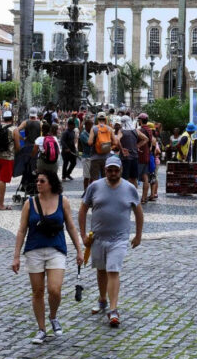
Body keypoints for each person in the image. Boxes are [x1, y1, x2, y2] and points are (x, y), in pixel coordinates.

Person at [12, 170, 83, 344]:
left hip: (56, 249)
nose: (38, 184)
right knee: (37, 291)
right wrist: (16, 256)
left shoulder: (62, 201)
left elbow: (71, 227)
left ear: (51, 183)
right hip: (34, 250)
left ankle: (53, 316)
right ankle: (41, 329)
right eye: (37, 181)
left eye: (42, 181)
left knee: (54, 290)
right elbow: (22, 230)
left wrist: (79, 250)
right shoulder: (30, 203)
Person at [78, 156, 144, 328]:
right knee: (101, 270)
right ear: (105, 170)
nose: (113, 173)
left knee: (113, 270)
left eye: (116, 170)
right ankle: (102, 299)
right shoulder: (94, 187)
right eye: (110, 170)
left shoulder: (130, 188)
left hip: (119, 239)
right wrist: (83, 234)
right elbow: (83, 209)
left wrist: (138, 235)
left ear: (121, 170)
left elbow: (138, 212)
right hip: (98, 237)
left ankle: (113, 310)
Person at [0, 110, 21, 210]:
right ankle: (0, 204)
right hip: (7, 158)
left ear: (3, 118)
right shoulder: (14, 129)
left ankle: (0, 202)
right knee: (2, 180)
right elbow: (17, 146)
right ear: (12, 118)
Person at [87, 113, 120, 182]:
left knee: (94, 179)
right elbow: (115, 143)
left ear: (97, 119)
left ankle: (95, 192)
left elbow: (89, 142)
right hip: (106, 158)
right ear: (105, 119)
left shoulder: (94, 128)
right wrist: (109, 147)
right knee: (105, 179)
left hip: (95, 157)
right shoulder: (110, 129)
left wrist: (96, 143)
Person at [118, 116, 140, 183]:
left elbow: (117, 140)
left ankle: (125, 192)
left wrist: (121, 149)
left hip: (125, 157)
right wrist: (137, 146)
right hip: (135, 157)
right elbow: (145, 139)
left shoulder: (122, 131)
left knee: (124, 179)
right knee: (134, 178)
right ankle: (133, 192)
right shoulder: (135, 130)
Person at [78, 117, 94, 195]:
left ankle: (89, 192)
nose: (92, 126)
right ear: (87, 125)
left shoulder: (91, 133)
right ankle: (85, 191)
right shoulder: (83, 134)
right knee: (87, 176)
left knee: (92, 177)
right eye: (91, 125)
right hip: (86, 157)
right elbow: (89, 143)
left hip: (92, 156)